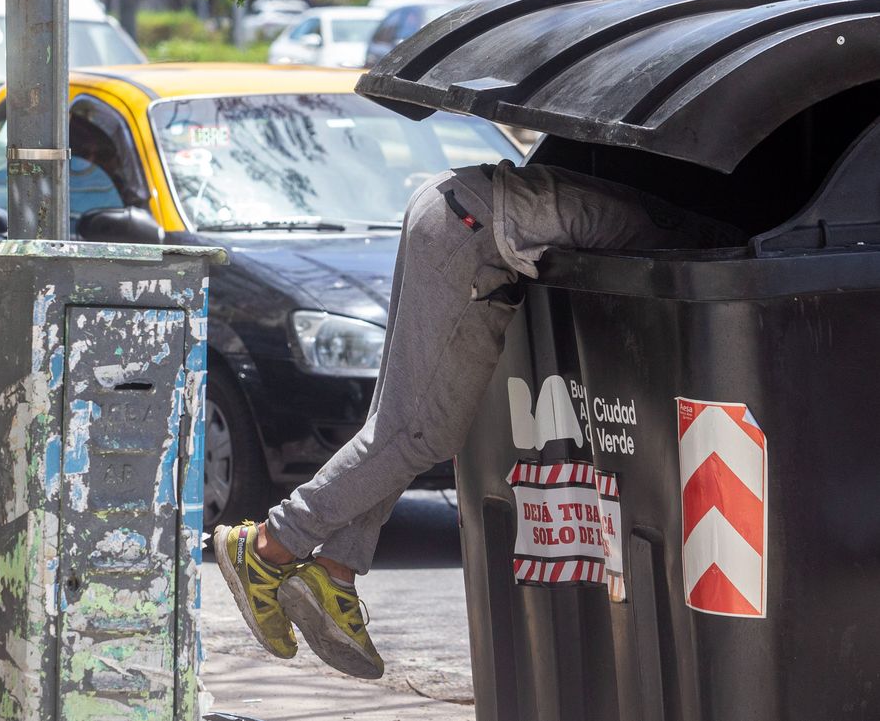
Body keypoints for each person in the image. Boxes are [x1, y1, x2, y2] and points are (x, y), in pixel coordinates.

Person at [213, 159, 744, 679]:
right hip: (470, 230)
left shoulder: (660, 201)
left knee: (398, 423)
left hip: (457, 208)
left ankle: (335, 570)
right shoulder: (693, 240)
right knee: (420, 432)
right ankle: (267, 545)